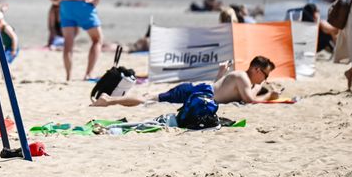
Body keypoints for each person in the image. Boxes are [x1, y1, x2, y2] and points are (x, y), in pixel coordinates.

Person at [92, 56, 279, 107]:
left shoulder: (243, 79)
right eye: (265, 74)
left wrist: (261, 87)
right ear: (256, 69)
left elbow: (222, 88)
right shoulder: (242, 77)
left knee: (150, 97)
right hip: (197, 92)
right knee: (149, 99)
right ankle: (108, 100)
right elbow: (249, 99)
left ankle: (109, 100)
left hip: (200, 91)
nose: (265, 78)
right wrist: (269, 94)